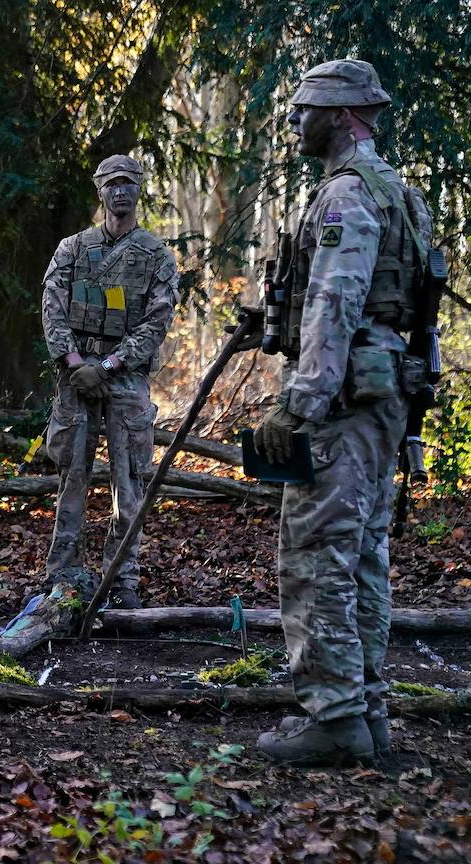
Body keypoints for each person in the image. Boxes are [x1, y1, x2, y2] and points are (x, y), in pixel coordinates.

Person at [254, 60, 431, 767]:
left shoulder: (346, 196)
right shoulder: (400, 194)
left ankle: (333, 716)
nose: (297, 121)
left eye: (307, 109)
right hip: (382, 396)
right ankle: (367, 713)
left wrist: (299, 403)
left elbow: (336, 302)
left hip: (346, 400)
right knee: (361, 556)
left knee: (315, 553)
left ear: (343, 113)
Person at [39, 154, 180, 610]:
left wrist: (109, 366)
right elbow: (52, 308)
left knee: (130, 483)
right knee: (71, 478)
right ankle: (63, 577)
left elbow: (156, 322)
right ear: (99, 191)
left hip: (125, 380)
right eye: (111, 184)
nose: (120, 192)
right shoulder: (73, 249)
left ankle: (122, 581)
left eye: (128, 183)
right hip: (76, 379)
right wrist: (77, 361)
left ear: (139, 189)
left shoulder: (156, 255)